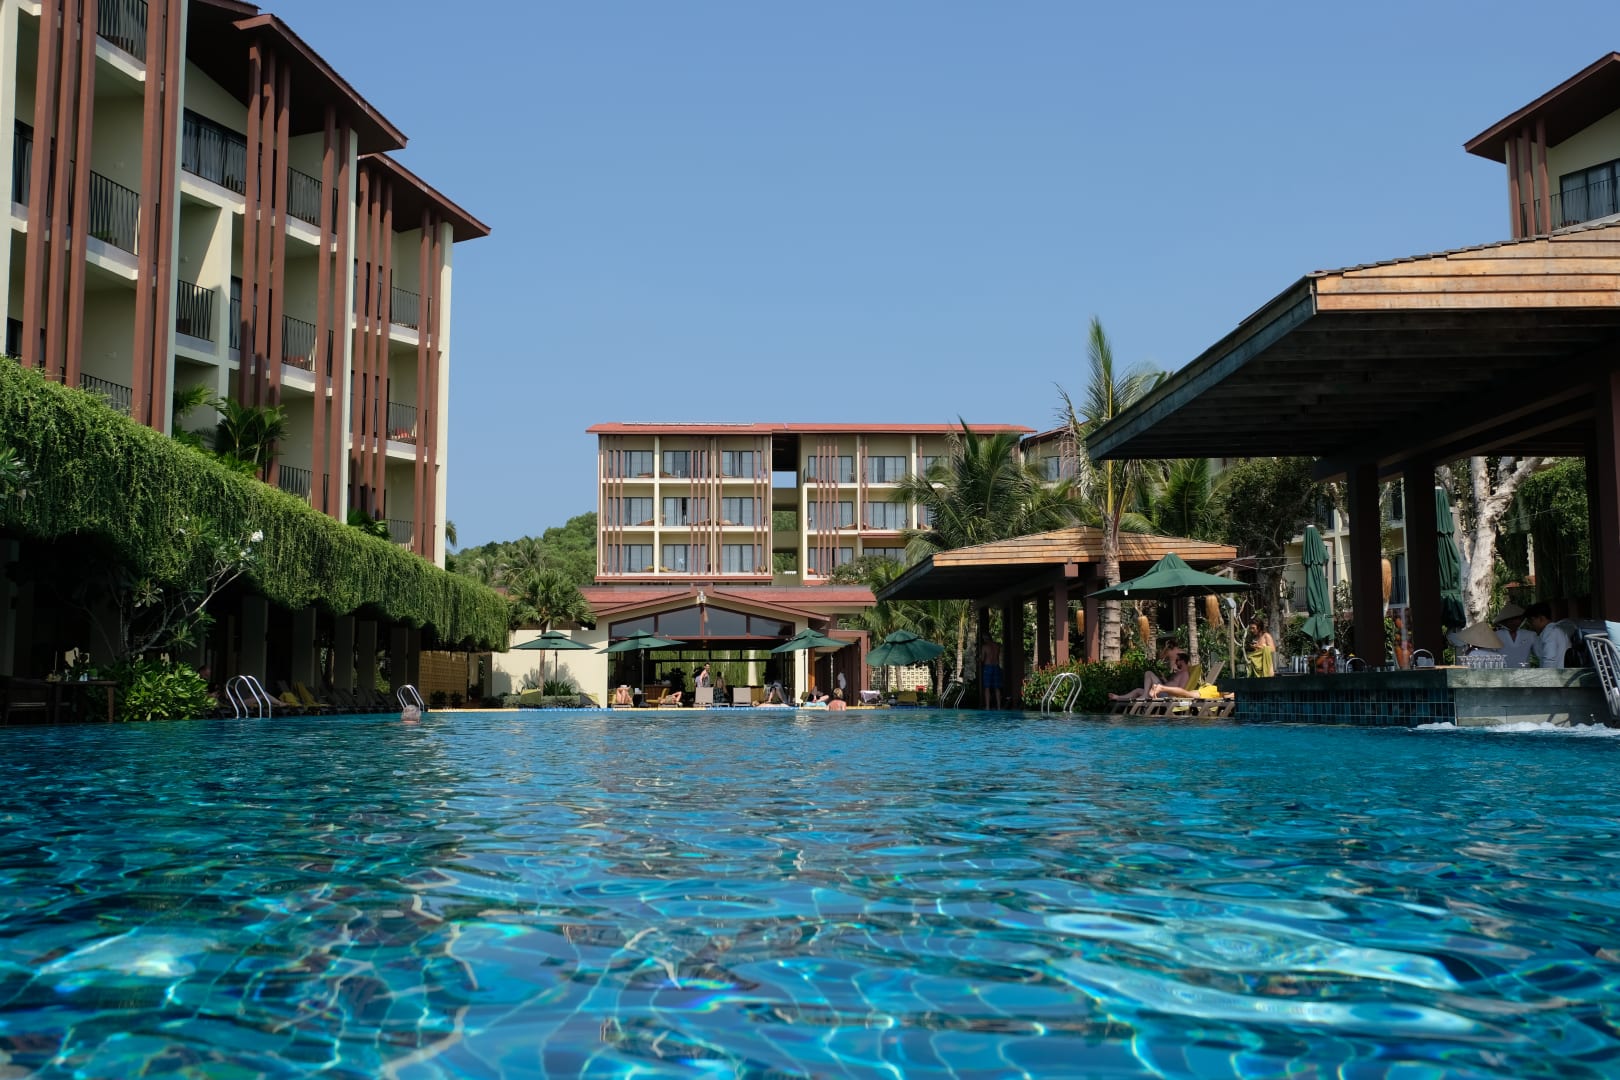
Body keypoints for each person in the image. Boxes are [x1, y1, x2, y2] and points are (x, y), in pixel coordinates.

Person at [1110, 654, 1191, 702]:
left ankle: (1145, 695)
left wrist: (1165, 689)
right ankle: (1118, 697)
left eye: (1177, 660)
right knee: (1138, 690)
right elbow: (1172, 684)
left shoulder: (1185, 674)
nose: (1175, 662)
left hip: (1167, 694)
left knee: (1148, 673)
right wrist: (1164, 680)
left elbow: (1181, 690)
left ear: (1182, 661)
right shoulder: (1178, 673)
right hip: (1162, 691)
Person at [1525, 602, 1572, 669]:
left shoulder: (1550, 633)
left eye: (1532, 621)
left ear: (1541, 618)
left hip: (1553, 673)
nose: (1531, 625)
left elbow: (1549, 660)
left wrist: (1547, 675)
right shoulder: (1555, 630)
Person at [1494, 603, 1534, 668]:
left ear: (1521, 619)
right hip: (1502, 673)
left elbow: (1541, 654)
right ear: (1504, 621)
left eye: (1516, 618)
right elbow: (1489, 656)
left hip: (1525, 673)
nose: (1514, 621)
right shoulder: (1495, 635)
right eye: (1511, 619)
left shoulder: (1530, 635)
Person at [979, 638, 1003, 709]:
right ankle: (999, 707)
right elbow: (998, 657)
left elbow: (982, 659)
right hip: (996, 666)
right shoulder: (997, 646)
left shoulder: (985, 646)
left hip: (988, 667)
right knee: (997, 688)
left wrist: (979, 658)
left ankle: (987, 707)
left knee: (987, 688)